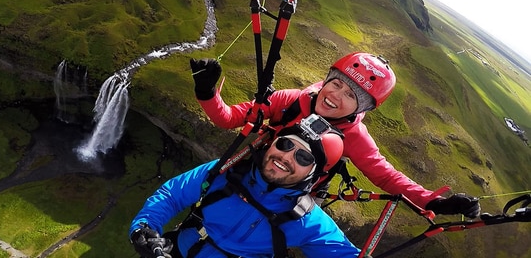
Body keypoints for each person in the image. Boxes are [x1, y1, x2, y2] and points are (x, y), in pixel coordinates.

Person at [189, 52, 481, 218]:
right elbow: (230, 119)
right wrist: (207, 92)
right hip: (251, 173)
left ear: (362, 107)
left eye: (351, 95)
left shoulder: (354, 136)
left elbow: (386, 175)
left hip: (291, 199)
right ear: (327, 79)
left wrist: (433, 202)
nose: (335, 95)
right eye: (336, 84)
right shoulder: (291, 100)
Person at [129, 118, 361, 258]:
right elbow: (173, 194)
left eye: (302, 157)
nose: (286, 157)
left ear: (314, 175)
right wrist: (145, 228)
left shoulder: (308, 221)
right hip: (173, 252)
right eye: (285, 144)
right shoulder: (227, 170)